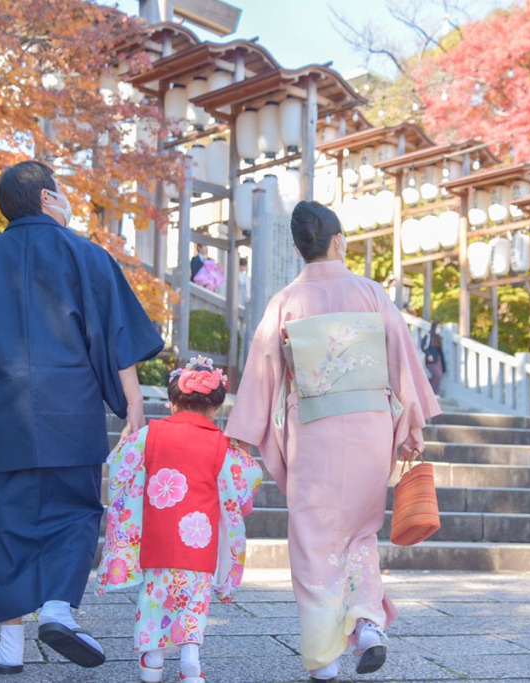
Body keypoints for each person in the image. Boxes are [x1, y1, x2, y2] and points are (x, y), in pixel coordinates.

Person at [0, 160, 165, 675]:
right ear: (47, 199)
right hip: (71, 409)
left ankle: (9, 648)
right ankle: (58, 609)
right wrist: (135, 406)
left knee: (7, 523)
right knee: (75, 509)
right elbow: (116, 334)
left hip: (6, 410)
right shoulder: (87, 256)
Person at [224, 201, 440, 682]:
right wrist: (413, 426)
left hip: (314, 431)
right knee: (360, 531)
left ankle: (324, 658)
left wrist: (241, 435)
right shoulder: (370, 293)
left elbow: (262, 371)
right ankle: (366, 624)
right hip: (368, 426)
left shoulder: (285, 302)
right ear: (338, 241)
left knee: (313, 538)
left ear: (301, 248)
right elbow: (402, 359)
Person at [95, 355, 262, 683]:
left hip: (159, 538)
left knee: (156, 598)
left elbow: (118, 467)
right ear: (214, 409)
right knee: (193, 601)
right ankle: (190, 660)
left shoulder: (150, 434)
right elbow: (245, 481)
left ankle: (152, 663)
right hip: (199, 542)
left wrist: (129, 434)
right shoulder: (221, 444)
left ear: (173, 403)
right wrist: (245, 450)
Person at [420, 321, 447, 395]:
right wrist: (428, 354)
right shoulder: (428, 336)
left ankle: (429, 390)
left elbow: (440, 351)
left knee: (439, 376)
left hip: (438, 360)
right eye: (438, 327)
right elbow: (423, 346)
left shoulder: (439, 337)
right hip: (431, 360)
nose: (439, 329)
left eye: (440, 328)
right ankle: (433, 393)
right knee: (437, 375)